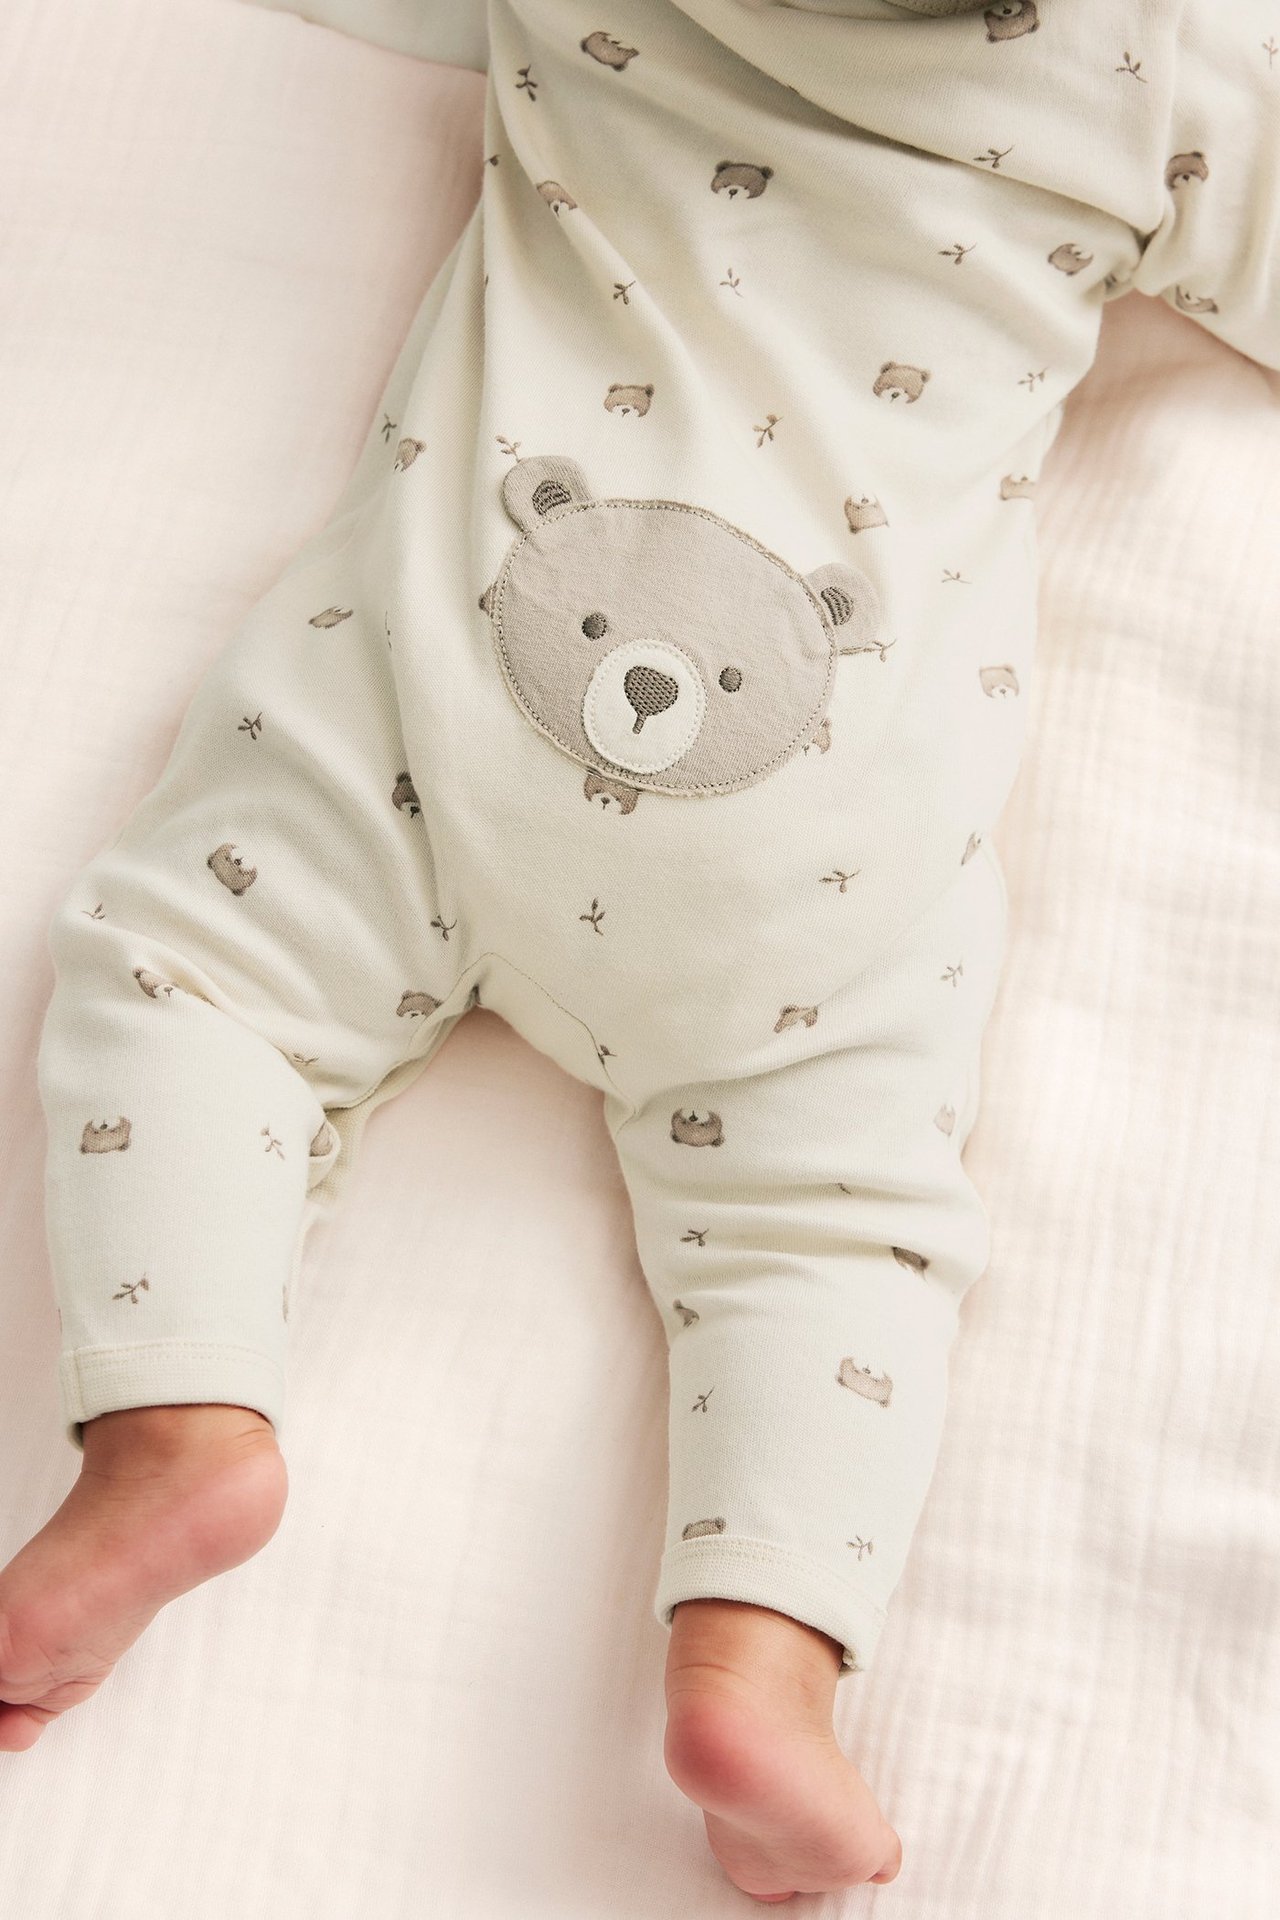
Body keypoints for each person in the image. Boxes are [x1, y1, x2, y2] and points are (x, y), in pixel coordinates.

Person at [2, 0, 1276, 1901]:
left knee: (195, 978)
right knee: (828, 1227)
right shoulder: (1169, 71)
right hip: (819, 810)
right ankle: (757, 1668)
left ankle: (179, 1425)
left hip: (444, 685)